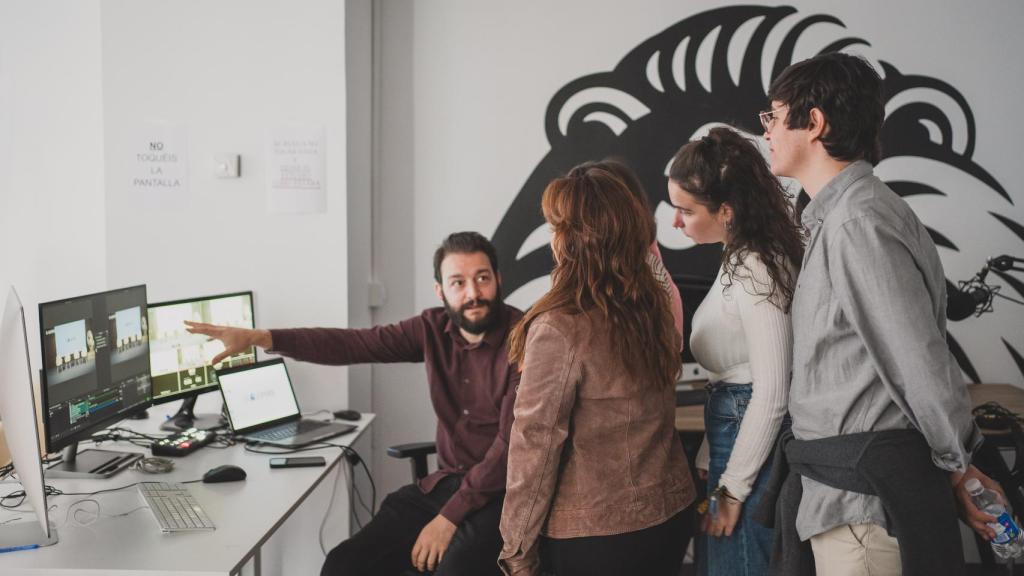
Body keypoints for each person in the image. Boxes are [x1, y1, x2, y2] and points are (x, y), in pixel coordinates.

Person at [759, 51, 1001, 575]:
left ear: (814, 122)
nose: (768, 133)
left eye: (773, 117)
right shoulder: (848, 215)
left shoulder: (856, 224)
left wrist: (961, 468)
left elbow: (917, 358)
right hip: (850, 501)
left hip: (862, 513)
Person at [186, 231, 522, 576]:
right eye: (458, 282)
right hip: (446, 483)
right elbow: (352, 344)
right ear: (440, 291)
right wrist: (261, 338)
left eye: (482, 278)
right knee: (343, 565)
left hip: (504, 494)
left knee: (451, 570)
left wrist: (448, 518)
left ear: (498, 279)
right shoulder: (432, 328)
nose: (473, 293)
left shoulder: (526, 338)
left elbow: (509, 448)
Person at [497, 163, 695, 576]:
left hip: (596, 534)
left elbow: (535, 445)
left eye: (557, 227)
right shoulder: (654, 309)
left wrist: (516, 549)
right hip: (669, 515)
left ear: (571, 240)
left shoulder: (561, 326)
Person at [666, 126, 804, 576]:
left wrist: (733, 489)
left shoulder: (756, 268)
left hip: (749, 440)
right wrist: (712, 455)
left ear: (726, 210)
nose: (675, 222)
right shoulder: (739, 255)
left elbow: (771, 393)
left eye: (685, 210)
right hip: (734, 435)